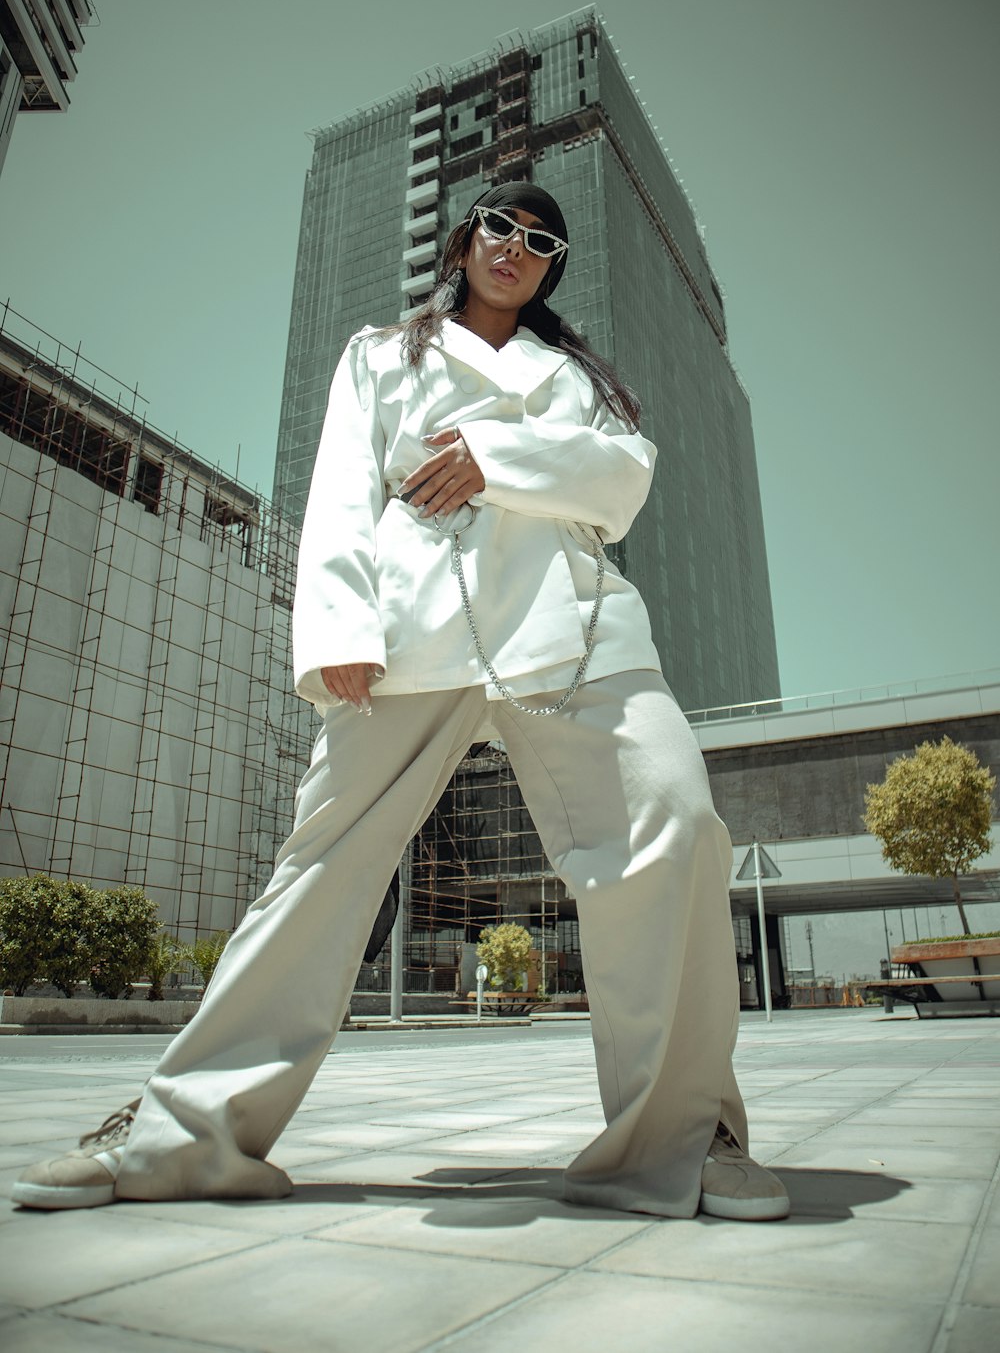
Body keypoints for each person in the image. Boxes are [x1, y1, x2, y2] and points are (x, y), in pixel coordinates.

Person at [11, 183, 789, 1222]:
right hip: (410, 637)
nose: (518, 247)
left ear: (554, 266)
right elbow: (340, 491)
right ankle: (182, 1133)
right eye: (501, 227)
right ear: (465, 239)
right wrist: (334, 627)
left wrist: (491, 458)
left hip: (575, 632)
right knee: (318, 871)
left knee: (678, 825)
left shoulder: (571, 377)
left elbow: (621, 481)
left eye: (542, 240)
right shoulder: (381, 354)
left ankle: (687, 1138)